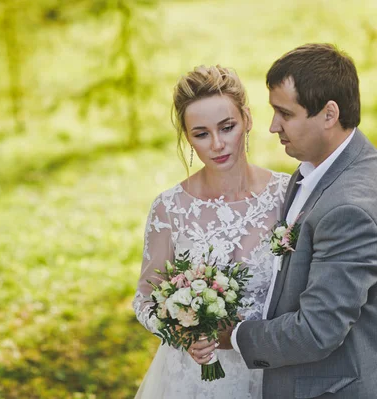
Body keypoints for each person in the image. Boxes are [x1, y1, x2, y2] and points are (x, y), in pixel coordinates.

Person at [197, 43, 377, 398]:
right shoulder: (315, 169)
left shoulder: (348, 209)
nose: (272, 126)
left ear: (329, 114)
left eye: (285, 114)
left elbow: (316, 330)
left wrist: (233, 336)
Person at [132, 65, 290, 398]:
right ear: (187, 137)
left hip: (272, 371)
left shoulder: (287, 195)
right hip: (194, 380)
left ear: (247, 118)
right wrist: (180, 332)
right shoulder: (170, 208)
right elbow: (145, 299)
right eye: (201, 134)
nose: (217, 144)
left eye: (227, 127)